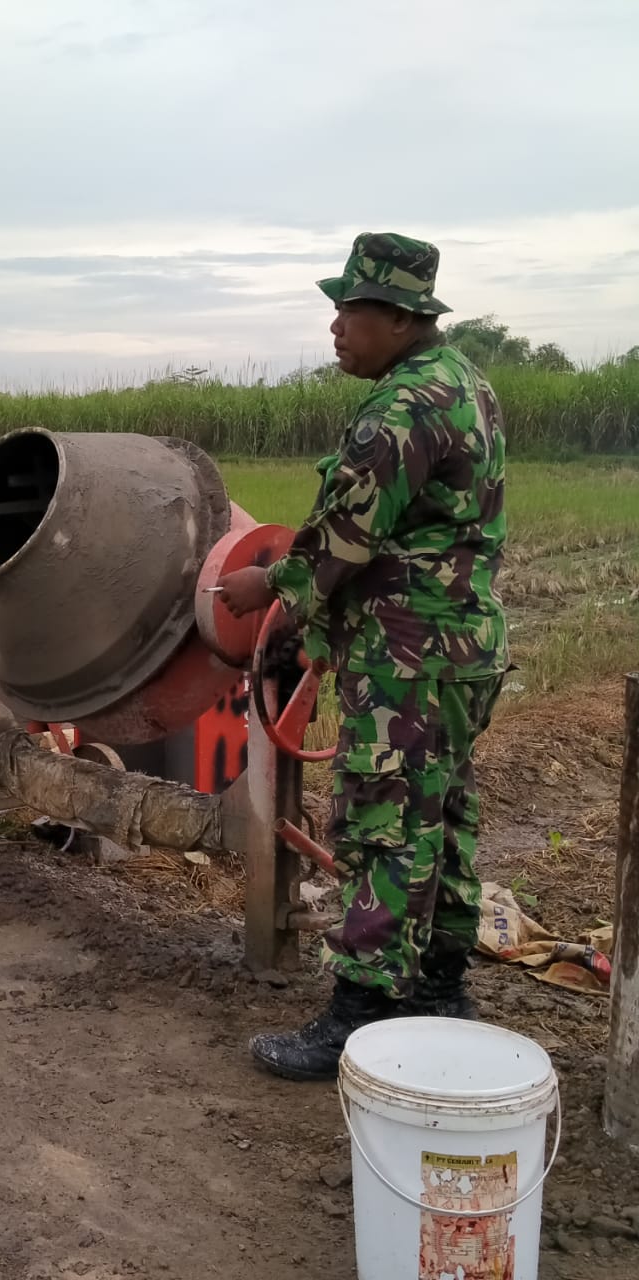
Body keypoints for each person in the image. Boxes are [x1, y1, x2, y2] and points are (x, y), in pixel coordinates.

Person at [219, 233, 508, 1082]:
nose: (337, 327)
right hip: (462, 646)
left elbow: (347, 534)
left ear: (398, 316)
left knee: (383, 825)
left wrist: (269, 586)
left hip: (406, 654)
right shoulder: (469, 385)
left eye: (350, 310)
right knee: (444, 817)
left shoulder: (402, 408)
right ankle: (443, 991)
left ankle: (358, 1013)